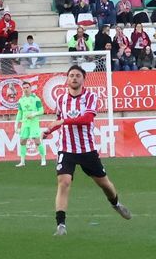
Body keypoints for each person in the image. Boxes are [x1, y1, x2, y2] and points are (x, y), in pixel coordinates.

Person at [43, 65, 131, 235]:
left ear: (83, 79)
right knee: (64, 182)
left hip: (87, 149)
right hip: (66, 149)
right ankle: (61, 225)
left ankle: (116, 204)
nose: (74, 78)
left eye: (77, 75)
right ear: (67, 79)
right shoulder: (61, 99)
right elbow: (59, 120)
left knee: (104, 183)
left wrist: (62, 122)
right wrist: (49, 131)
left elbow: (87, 119)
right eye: (71, 75)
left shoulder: (91, 97)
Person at [13, 80, 49, 167]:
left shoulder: (36, 99)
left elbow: (41, 111)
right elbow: (20, 112)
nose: (25, 89)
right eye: (24, 88)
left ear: (30, 88)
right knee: (22, 141)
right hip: (25, 123)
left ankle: (43, 159)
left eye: (27, 87)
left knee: (36, 140)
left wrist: (33, 114)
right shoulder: (21, 100)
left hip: (34, 123)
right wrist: (16, 123)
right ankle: (22, 162)